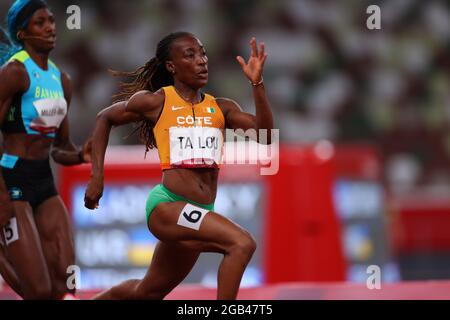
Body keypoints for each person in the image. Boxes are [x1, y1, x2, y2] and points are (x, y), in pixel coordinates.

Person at [84, 31, 273, 300]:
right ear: (172, 66)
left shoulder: (221, 108)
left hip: (198, 212)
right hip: (167, 206)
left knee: (147, 293)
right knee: (241, 243)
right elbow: (105, 118)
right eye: (190, 55)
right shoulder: (157, 101)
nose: (202, 61)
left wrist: (258, 84)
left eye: (203, 53)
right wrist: (97, 177)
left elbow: (265, 136)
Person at [0, 0, 91, 299]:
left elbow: (59, 148)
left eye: (52, 20)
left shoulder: (61, 80)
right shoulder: (14, 73)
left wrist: (79, 155)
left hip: (43, 180)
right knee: (38, 290)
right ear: (23, 33)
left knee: (66, 284)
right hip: (11, 178)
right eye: (41, 22)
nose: (51, 27)